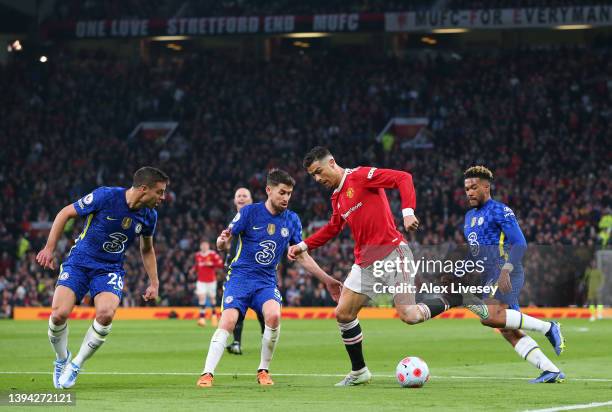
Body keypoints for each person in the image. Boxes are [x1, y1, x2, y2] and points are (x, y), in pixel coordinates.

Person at [289, 146, 441, 387]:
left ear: (331, 162)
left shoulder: (360, 176)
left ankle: (453, 297)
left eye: (319, 172)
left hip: (393, 253)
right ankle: (359, 372)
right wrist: (303, 245)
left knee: (409, 315)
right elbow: (332, 228)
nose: (317, 179)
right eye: (312, 176)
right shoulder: (337, 198)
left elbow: (403, 178)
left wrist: (408, 211)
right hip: (365, 263)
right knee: (343, 313)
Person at [197, 169, 342, 387]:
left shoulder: (291, 220)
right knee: (228, 321)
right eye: (282, 192)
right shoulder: (249, 213)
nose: (286, 198)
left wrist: (327, 279)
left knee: (273, 316)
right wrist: (220, 242)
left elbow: (301, 255)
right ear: (268, 190)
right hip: (239, 278)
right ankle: (207, 373)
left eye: (289, 193)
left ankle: (263, 370)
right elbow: (224, 240)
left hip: (265, 281)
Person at [36, 167, 168, 389]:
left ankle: (76, 364)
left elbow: (147, 249)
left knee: (106, 314)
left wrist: (154, 282)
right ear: (144, 189)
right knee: (59, 315)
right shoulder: (106, 196)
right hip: (79, 261)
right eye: (160, 192)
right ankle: (61, 359)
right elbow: (65, 213)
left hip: (109, 268)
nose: (163, 198)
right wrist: (49, 248)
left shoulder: (149, 216)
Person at [461, 165, 565, 383]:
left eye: (474, 187)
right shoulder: (469, 217)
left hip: (506, 270)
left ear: (486, 187)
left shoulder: (500, 210)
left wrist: (506, 270)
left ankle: (549, 327)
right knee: (506, 328)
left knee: (488, 317)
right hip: (488, 276)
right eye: (466, 188)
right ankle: (551, 370)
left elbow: (520, 243)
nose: (469, 192)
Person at [221, 187, 266, 355]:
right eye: (238, 196)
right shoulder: (232, 219)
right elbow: (229, 244)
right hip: (236, 270)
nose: (241, 198)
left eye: (244, 195)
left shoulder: (258, 217)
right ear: (234, 201)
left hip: (257, 270)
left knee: (262, 309)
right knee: (236, 308)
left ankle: (265, 338)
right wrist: (225, 251)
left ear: (251, 199)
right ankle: (237, 343)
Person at [191, 240, 224, 327]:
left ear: (208, 246)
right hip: (201, 280)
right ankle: (202, 319)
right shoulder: (197, 255)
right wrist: (193, 270)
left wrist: (211, 263)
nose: (204, 247)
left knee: (212, 299)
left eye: (206, 245)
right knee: (201, 298)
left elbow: (221, 264)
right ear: (200, 246)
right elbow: (197, 265)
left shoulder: (212, 254)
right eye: (202, 246)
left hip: (211, 280)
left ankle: (214, 316)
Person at [584, 257, 604, 322]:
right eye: (592, 263)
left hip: (597, 289)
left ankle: (599, 314)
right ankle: (592, 315)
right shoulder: (589, 271)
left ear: (596, 264)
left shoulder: (598, 271)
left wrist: (600, 287)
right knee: (591, 302)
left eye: (594, 263)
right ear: (591, 264)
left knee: (599, 302)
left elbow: (602, 280)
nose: (593, 264)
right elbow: (585, 279)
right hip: (590, 289)